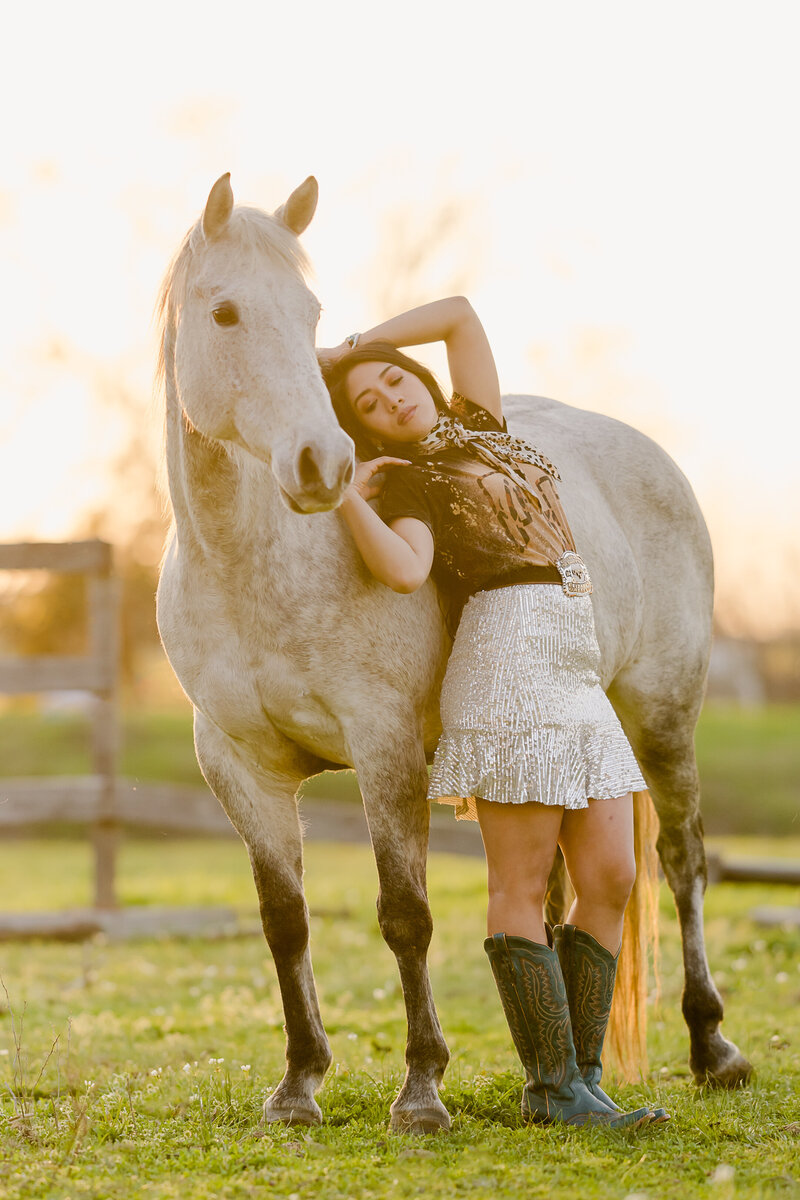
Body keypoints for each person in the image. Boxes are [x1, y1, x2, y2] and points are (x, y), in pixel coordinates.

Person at [319, 297, 662, 1128]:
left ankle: (578, 1082)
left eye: (395, 380)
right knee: (521, 879)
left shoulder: (483, 425)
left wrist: (352, 348)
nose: (392, 398)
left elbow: (463, 317)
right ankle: (553, 1086)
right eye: (369, 405)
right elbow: (404, 571)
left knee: (612, 874)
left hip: (576, 662)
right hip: (507, 657)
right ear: (368, 433)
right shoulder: (409, 481)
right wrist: (346, 497)